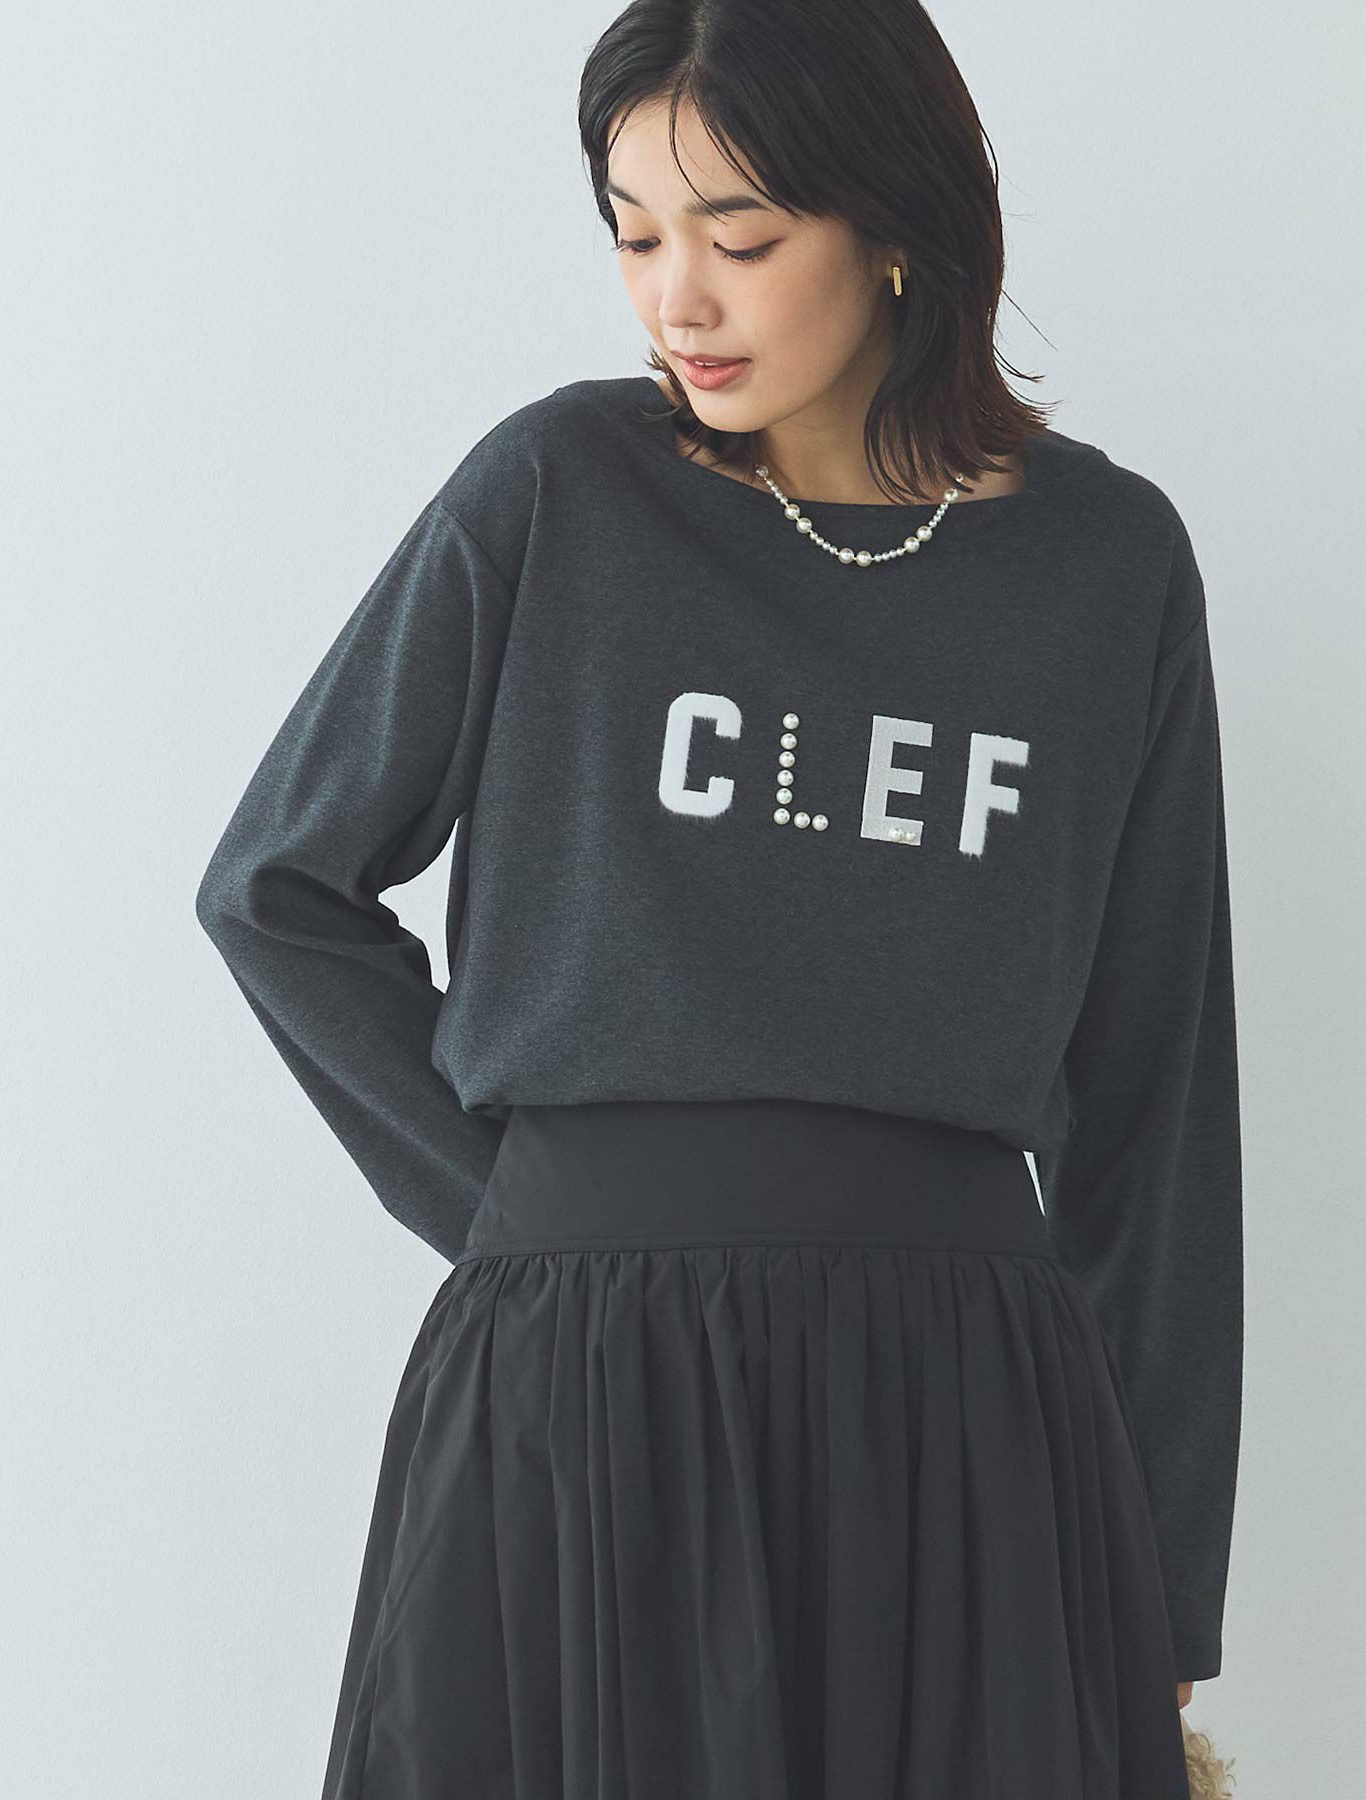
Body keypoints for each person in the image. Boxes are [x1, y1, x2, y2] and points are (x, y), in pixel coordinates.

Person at [194, 3, 1243, 1794]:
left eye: (739, 239)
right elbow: (276, 888)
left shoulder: (1104, 562)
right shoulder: (560, 490)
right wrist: (526, 1216)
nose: (678, 299)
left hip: (963, 1405)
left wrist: (1159, 1604)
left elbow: (1156, 1100)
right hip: (588, 1381)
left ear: (896, 224)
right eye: (635, 236)